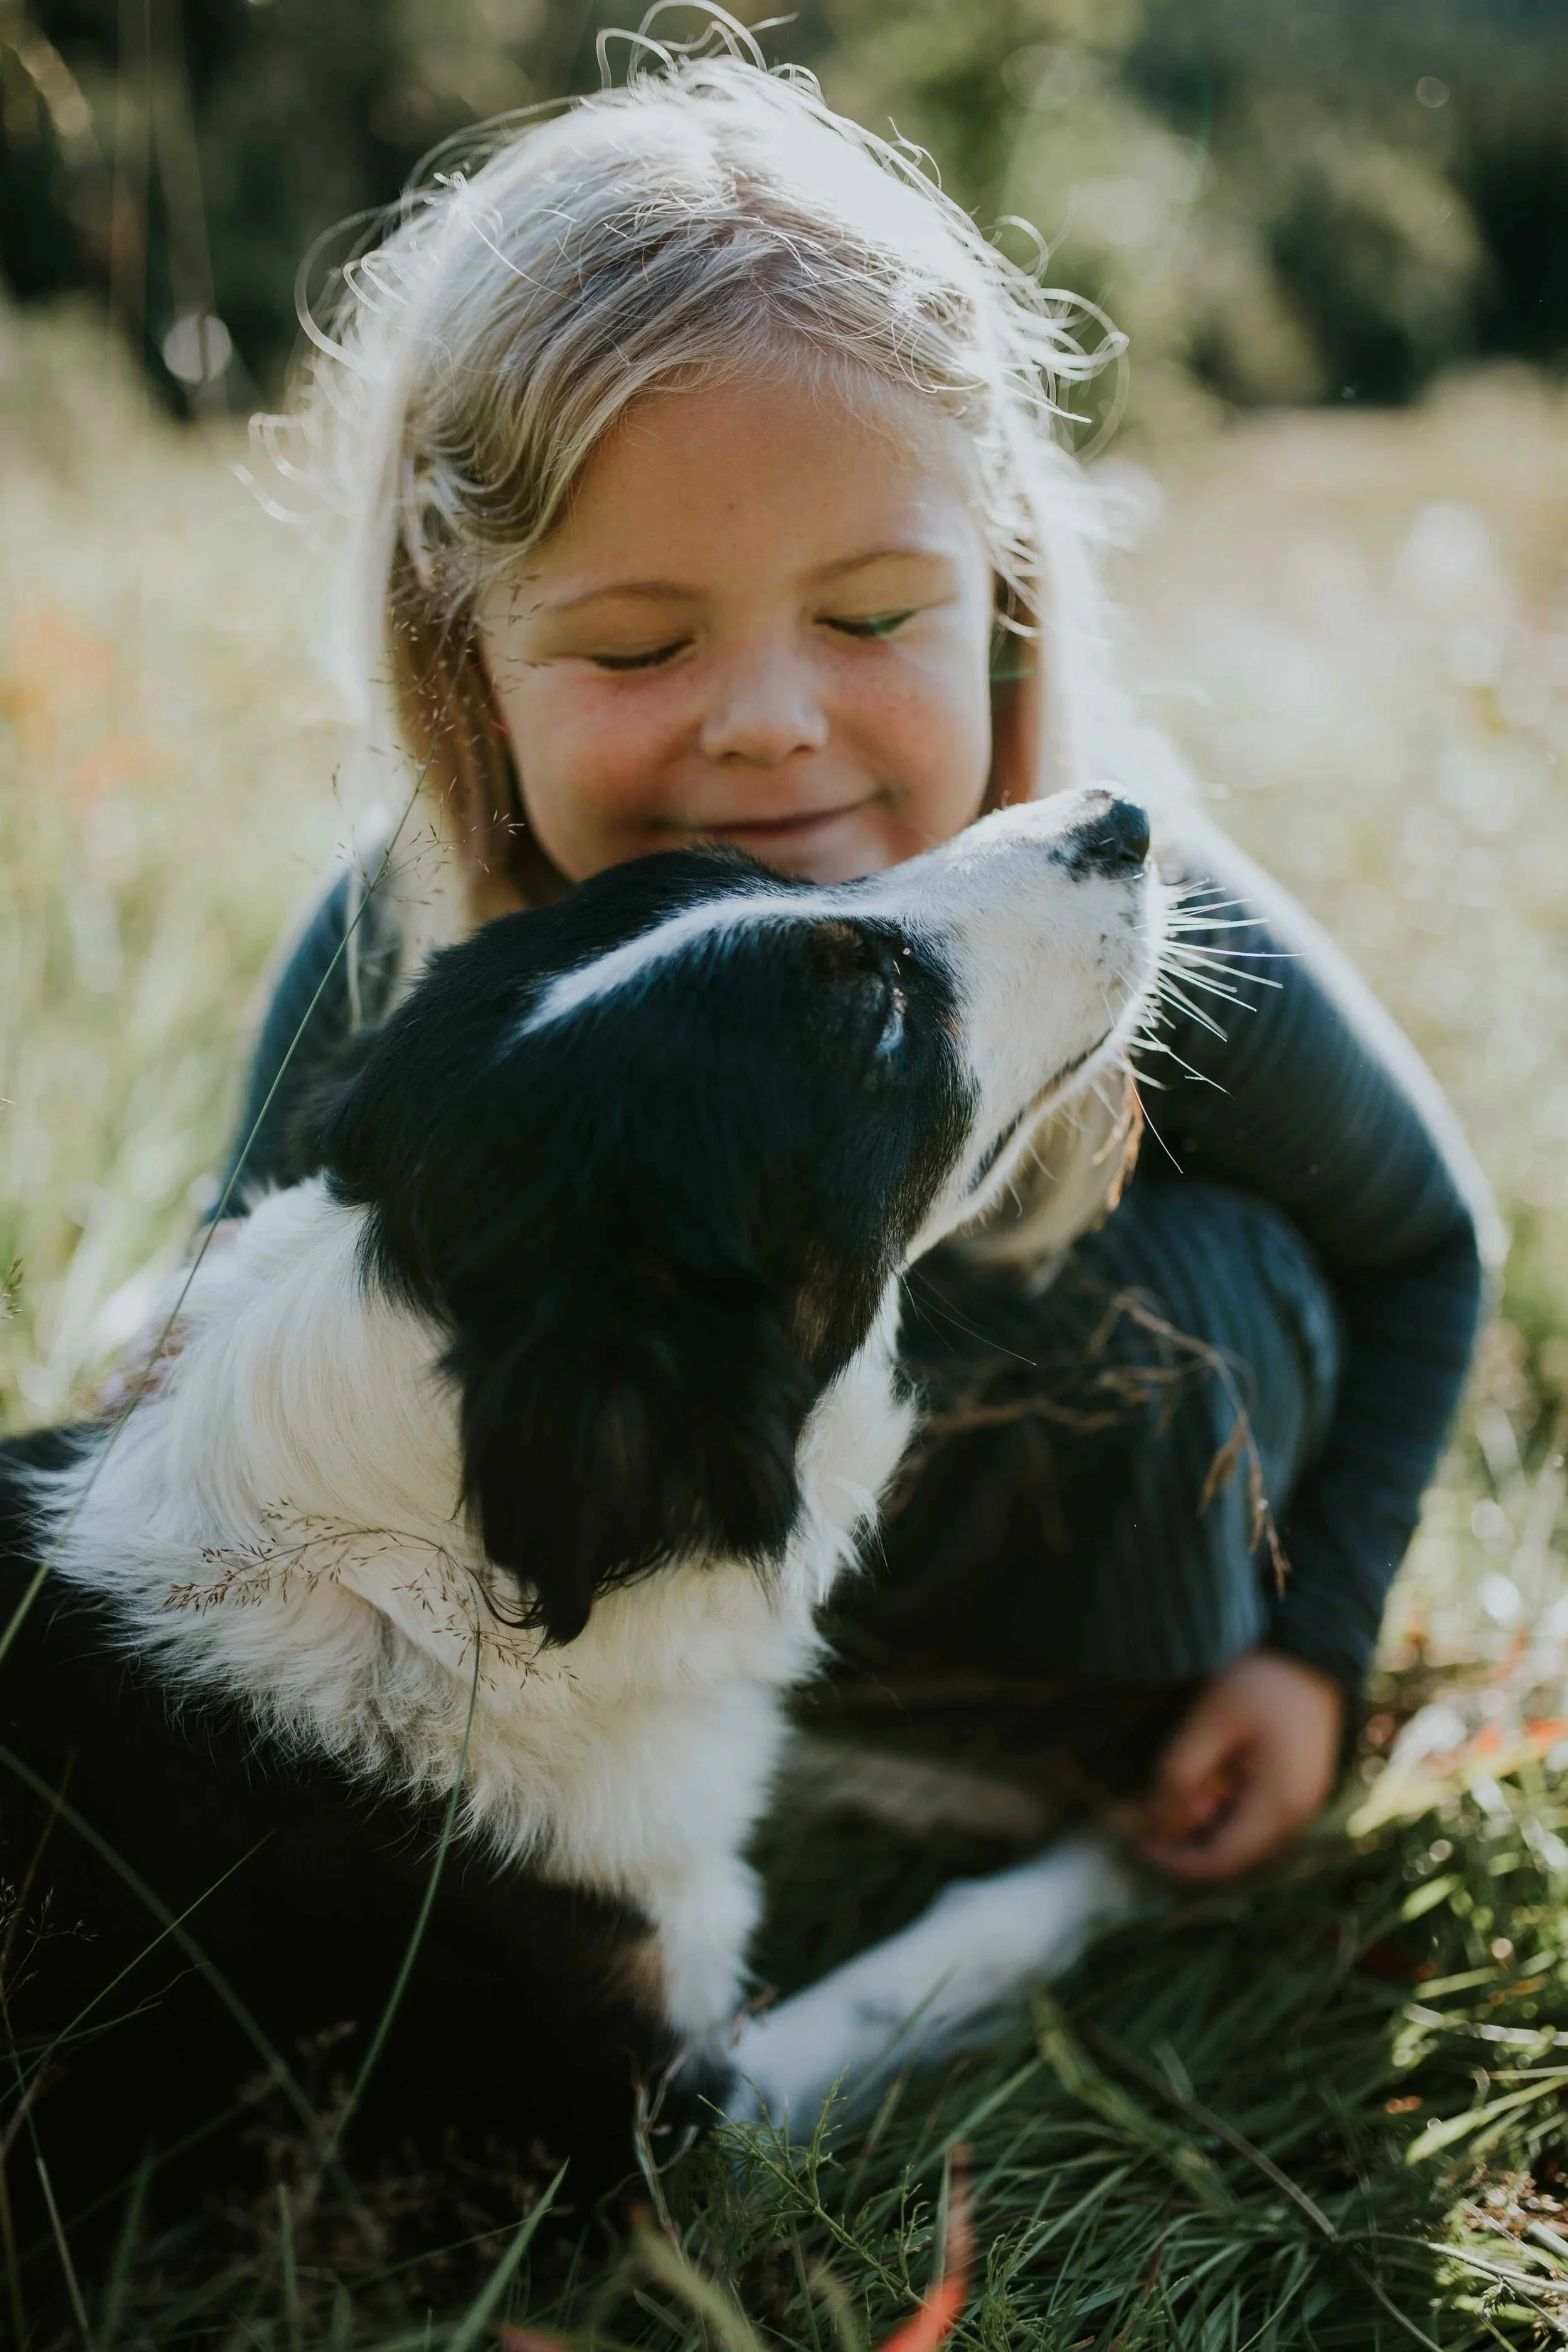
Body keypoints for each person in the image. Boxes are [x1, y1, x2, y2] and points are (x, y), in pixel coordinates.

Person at [213, 32, 1496, 1885]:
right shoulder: (415, 955)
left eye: (875, 616)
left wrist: (1316, 1650)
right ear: (462, 655)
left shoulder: (1122, 905)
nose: (771, 723)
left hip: (1058, 1661)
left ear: (1001, 601)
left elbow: (1423, 1244)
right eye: (638, 647)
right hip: (609, 1658)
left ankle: (972, 1755)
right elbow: (229, 1331)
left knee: (1228, 1284)